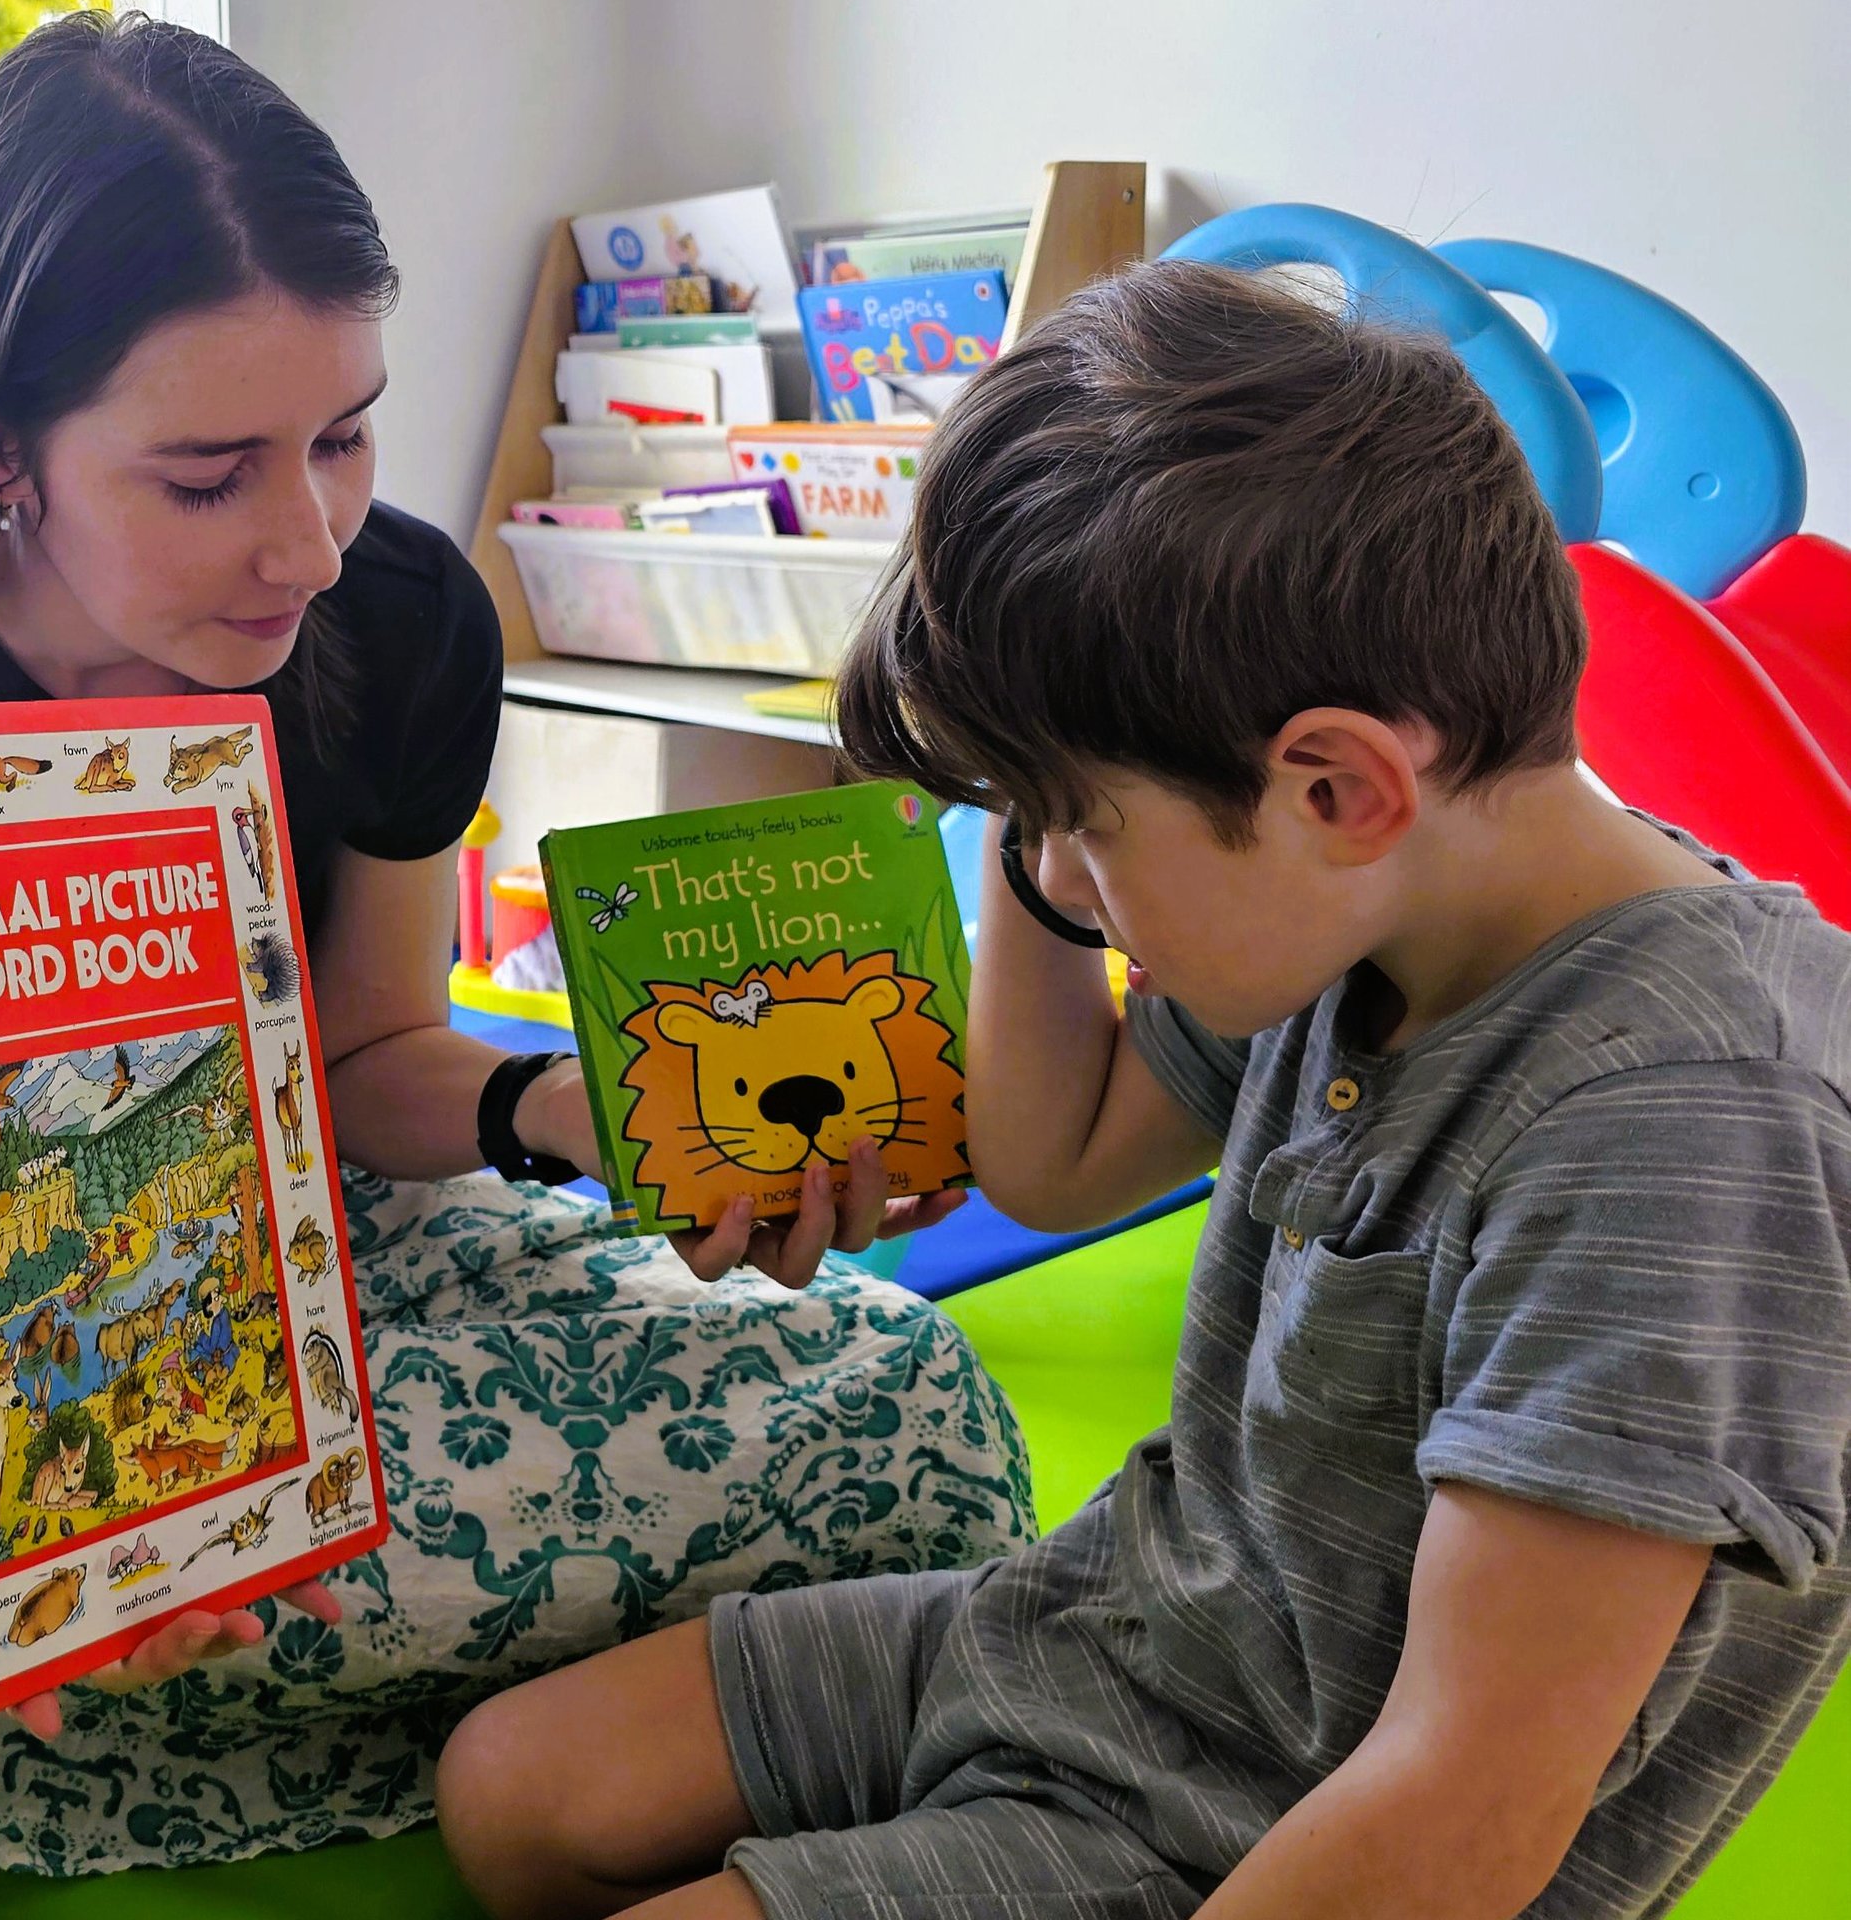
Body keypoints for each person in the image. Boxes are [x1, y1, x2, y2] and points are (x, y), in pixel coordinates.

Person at [0, 12, 1029, 1872]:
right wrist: (76, 1476)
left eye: (341, 437)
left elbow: (366, 1061)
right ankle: (108, 1656)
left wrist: (561, 1109)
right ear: (0, 449)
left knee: (907, 1406)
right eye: (208, 477)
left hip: (312, 1204)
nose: (310, 545)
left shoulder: (405, 616)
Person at [434, 262, 1851, 1919]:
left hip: (1266, 1828)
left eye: (1073, 828)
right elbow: (1055, 1165)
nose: (1047, 878)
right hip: (1119, 1626)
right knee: (515, 1796)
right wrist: (1040, 811)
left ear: (1337, 788)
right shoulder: (1374, 903)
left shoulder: (1683, 1136)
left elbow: (1454, 1816)